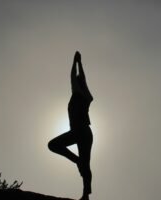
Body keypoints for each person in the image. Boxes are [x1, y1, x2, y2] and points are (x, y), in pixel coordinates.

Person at [48, 51, 93, 200]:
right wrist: (80, 63)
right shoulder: (87, 96)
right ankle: (86, 195)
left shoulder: (78, 94)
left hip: (80, 131)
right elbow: (82, 79)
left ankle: (77, 161)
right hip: (86, 133)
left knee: (53, 145)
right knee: (86, 165)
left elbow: (74, 77)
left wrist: (75, 63)